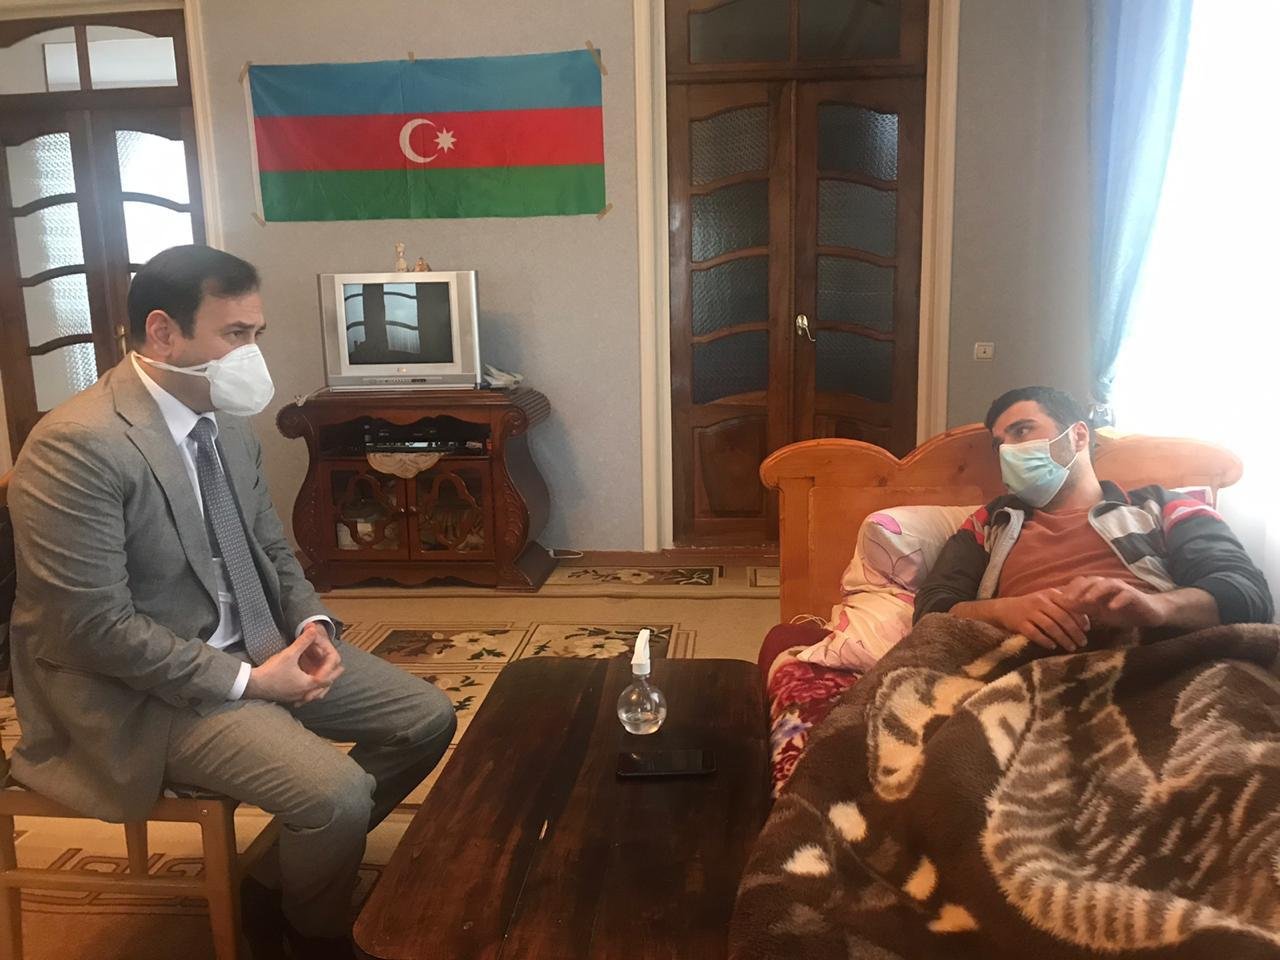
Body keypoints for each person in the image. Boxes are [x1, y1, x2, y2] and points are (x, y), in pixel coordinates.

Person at [6, 245, 456, 959]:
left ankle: (274, 881)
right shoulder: (77, 446)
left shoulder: (225, 424)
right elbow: (93, 629)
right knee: (335, 794)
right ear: (163, 333)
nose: (252, 355)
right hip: (141, 693)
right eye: (235, 334)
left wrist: (310, 624)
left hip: (253, 643)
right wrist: (250, 682)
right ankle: (310, 936)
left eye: (257, 333)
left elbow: (271, 546)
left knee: (424, 718)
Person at [914, 386, 1273, 649]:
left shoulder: (1163, 506)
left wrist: (1156, 607)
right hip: (1024, 667)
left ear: (1078, 436)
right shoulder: (990, 522)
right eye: (999, 444)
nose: (1008, 450)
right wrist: (1003, 611)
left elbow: (1247, 593)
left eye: (1022, 430)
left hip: (1156, 658)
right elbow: (933, 608)